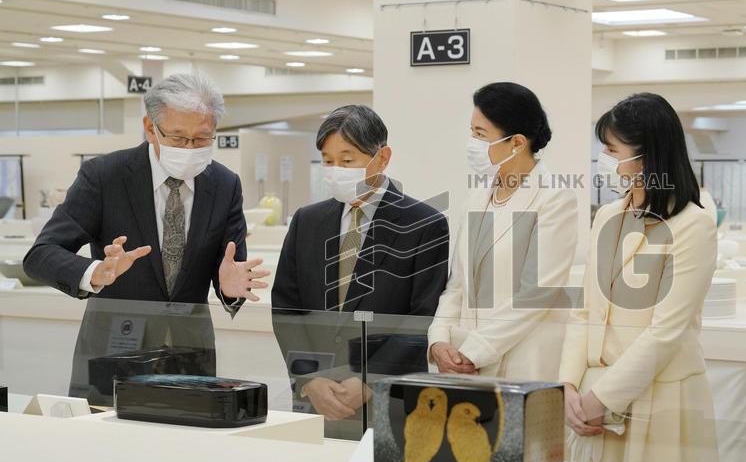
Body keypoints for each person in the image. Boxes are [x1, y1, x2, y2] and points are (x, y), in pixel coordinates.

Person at [23, 73, 267, 402]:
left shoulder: (224, 185)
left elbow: (230, 268)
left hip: (190, 356)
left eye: (202, 139)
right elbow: (40, 254)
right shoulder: (104, 177)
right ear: (150, 128)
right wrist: (94, 272)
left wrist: (228, 288)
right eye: (179, 138)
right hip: (113, 350)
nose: (190, 148)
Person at [559, 92, 719, 462]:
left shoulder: (692, 225)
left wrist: (602, 399)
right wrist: (565, 386)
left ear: (646, 155)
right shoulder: (607, 216)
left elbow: (667, 332)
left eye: (612, 150)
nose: (604, 160)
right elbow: (584, 311)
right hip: (590, 395)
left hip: (657, 397)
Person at [272, 105, 449, 428]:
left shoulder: (425, 224)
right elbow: (287, 306)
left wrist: (368, 379)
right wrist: (309, 378)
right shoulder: (307, 221)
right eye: (328, 160)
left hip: (389, 401)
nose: (336, 169)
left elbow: (422, 315)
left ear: (382, 158)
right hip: (317, 398)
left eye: (348, 160)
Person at [428, 82, 577, 381]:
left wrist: (475, 350)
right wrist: (439, 339)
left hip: (521, 360)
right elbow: (457, 284)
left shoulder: (554, 198)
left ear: (517, 143)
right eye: (472, 131)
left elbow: (537, 294)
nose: (472, 142)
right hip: (463, 360)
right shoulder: (477, 196)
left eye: (480, 134)